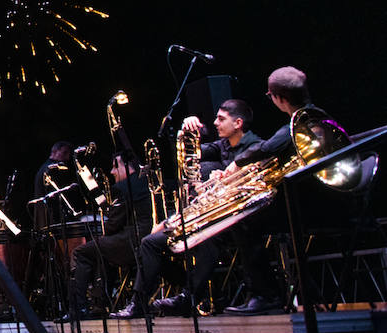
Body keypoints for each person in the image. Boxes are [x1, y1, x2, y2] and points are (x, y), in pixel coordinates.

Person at [113, 98, 269, 318]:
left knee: (207, 236)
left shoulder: (255, 147)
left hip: (241, 221)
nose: (216, 122)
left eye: (221, 119)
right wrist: (191, 130)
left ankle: (191, 296)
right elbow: (191, 155)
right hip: (214, 217)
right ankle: (139, 303)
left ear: (238, 123)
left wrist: (220, 181)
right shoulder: (223, 145)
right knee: (150, 243)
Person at [65, 154, 149, 320]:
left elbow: (112, 226)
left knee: (82, 252)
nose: (112, 172)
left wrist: (108, 212)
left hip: (131, 241)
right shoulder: (147, 181)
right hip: (148, 236)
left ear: (127, 167)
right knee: (100, 249)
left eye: (115, 167)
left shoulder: (124, 187)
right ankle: (102, 300)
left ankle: (80, 309)